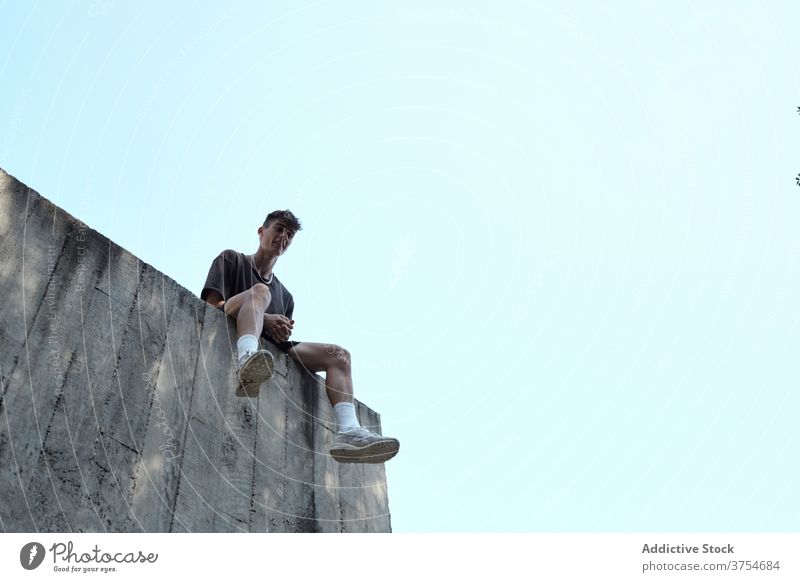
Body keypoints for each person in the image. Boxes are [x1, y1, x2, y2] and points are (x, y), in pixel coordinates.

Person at [200, 210, 399, 464]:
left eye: (289, 235)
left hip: (271, 348)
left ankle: (349, 431)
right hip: (232, 319)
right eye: (279, 229)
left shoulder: (286, 296)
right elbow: (212, 306)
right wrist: (264, 316)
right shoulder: (231, 260)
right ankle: (246, 359)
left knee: (340, 356)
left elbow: (279, 342)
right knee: (259, 292)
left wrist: (276, 327)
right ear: (261, 231)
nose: (283, 237)